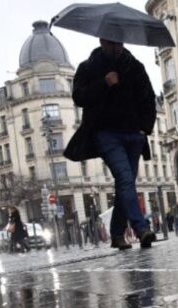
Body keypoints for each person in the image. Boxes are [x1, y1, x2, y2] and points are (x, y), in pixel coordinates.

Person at [68, 38, 157, 250]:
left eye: (118, 43)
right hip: (106, 134)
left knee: (124, 184)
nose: (115, 47)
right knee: (125, 178)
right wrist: (103, 83)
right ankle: (141, 227)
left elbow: (148, 97)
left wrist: (145, 127)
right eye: (111, 43)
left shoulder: (135, 67)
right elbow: (79, 97)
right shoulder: (89, 67)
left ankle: (117, 234)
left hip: (133, 134)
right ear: (102, 41)